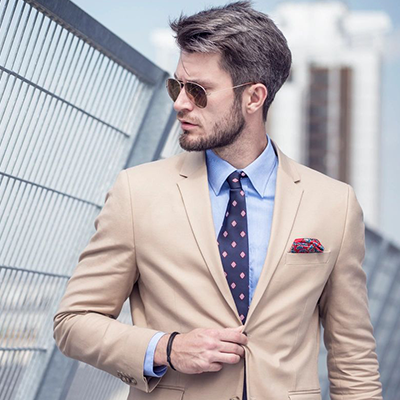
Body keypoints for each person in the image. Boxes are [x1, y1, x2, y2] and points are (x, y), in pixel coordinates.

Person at [53, 2, 382, 400]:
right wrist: (166, 348)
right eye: (178, 86)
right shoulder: (136, 193)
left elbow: (353, 358)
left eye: (199, 91)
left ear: (254, 97)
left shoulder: (335, 204)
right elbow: (73, 322)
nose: (180, 103)